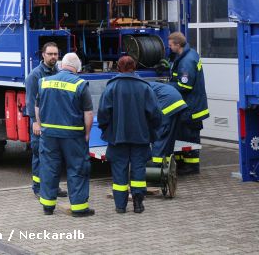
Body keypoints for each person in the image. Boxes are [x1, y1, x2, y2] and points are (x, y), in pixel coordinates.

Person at [98, 56, 161, 214]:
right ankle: (138, 204)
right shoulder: (145, 87)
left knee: (119, 170)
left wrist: (107, 129)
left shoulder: (111, 87)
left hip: (117, 137)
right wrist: (152, 130)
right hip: (141, 137)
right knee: (139, 169)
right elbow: (155, 114)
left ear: (118, 68)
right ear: (135, 67)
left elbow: (103, 114)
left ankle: (120, 206)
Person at [35, 52, 94, 217]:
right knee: (77, 168)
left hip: (49, 135)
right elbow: (88, 114)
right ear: (78, 68)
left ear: (61, 65)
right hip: (73, 136)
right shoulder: (81, 84)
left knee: (49, 168)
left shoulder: (44, 82)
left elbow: (37, 108)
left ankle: (47, 206)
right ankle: (79, 208)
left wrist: (41, 126)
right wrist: (87, 134)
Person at [24, 42, 67, 199]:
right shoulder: (35, 76)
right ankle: (38, 187)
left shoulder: (58, 72)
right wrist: (35, 121)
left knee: (54, 157)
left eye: (56, 54)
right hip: (40, 124)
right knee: (39, 156)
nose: (54, 57)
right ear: (43, 55)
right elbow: (30, 100)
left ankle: (53, 187)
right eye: (50, 54)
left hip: (55, 122)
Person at [166, 32, 209, 174]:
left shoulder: (187, 61)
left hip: (192, 108)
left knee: (190, 137)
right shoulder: (187, 55)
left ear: (178, 45)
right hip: (188, 106)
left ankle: (191, 167)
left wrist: (166, 87)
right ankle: (181, 164)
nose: (169, 47)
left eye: (171, 45)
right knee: (180, 135)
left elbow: (185, 86)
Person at [148, 81, 189, 167]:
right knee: (169, 139)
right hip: (178, 103)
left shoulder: (139, 89)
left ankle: (156, 167)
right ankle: (167, 165)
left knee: (159, 135)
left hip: (168, 102)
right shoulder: (145, 85)